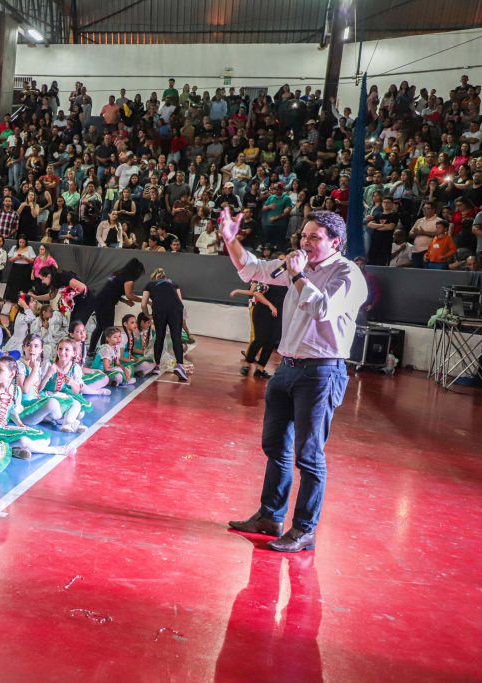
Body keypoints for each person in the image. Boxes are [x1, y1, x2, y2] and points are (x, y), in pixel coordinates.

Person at [219, 207, 367, 553]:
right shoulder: (296, 266)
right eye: (303, 235)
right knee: (275, 446)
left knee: (309, 455)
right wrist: (230, 239)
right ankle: (270, 516)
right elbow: (250, 268)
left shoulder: (348, 274)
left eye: (314, 237)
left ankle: (304, 529)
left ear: (336, 242)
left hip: (321, 372)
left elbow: (323, 310)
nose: (305, 242)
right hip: (287, 368)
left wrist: (298, 276)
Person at [87, 258, 145, 357]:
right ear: (137, 271)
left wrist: (125, 301)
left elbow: (113, 291)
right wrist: (144, 300)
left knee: (100, 327)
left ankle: (91, 351)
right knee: (108, 330)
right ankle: (104, 355)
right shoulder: (129, 277)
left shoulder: (118, 273)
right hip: (106, 303)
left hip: (99, 300)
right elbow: (130, 295)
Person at [140, 268, 189, 381]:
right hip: (176, 309)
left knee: (160, 336)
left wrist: (148, 315)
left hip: (159, 309)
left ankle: (156, 366)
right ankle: (180, 366)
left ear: (154, 278)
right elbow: (180, 301)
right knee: (176, 337)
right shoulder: (173, 283)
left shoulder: (150, 284)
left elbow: (143, 304)